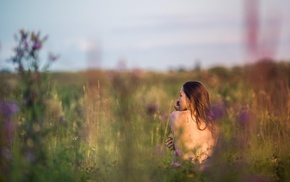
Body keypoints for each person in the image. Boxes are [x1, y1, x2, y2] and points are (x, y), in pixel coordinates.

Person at [165, 81, 217, 165]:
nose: (178, 100)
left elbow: (184, 155)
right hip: (208, 171)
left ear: (190, 100)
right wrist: (177, 143)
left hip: (187, 171)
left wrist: (179, 112)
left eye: (181, 96)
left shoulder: (176, 116)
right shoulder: (212, 122)